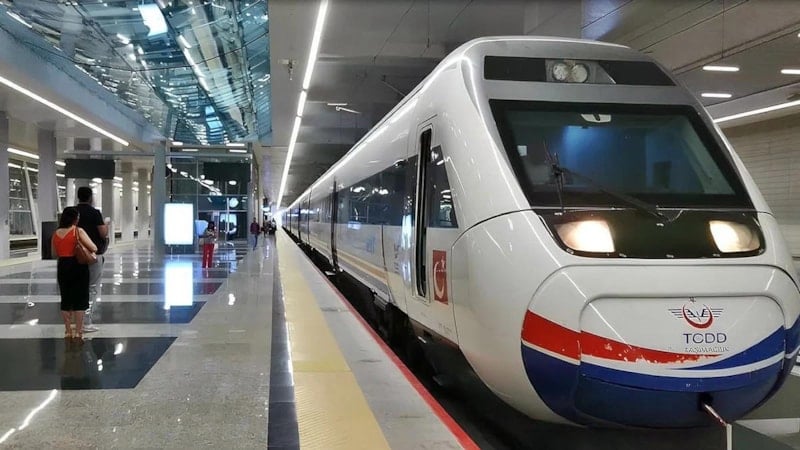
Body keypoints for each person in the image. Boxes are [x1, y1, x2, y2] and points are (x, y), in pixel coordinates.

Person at [51, 206, 98, 340]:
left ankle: (67, 330)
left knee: (66, 298)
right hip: (78, 266)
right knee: (80, 299)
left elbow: (54, 254)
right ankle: (78, 331)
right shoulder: (78, 231)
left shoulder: (56, 233)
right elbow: (94, 248)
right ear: (75, 219)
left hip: (63, 266)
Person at [76, 186, 108, 333]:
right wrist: (106, 224)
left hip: (75, 255)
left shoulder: (71, 212)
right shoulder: (95, 213)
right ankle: (86, 321)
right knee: (92, 287)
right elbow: (102, 233)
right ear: (90, 197)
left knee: (77, 287)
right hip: (92, 256)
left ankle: (76, 320)